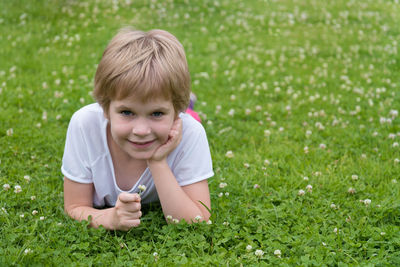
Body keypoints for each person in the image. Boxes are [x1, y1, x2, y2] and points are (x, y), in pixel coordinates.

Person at [61, 28, 214, 231]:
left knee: (193, 120)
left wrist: (158, 161)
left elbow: (198, 222)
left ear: (177, 113)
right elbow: (74, 206)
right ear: (105, 107)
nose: (141, 130)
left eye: (156, 113)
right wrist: (109, 219)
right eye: (126, 112)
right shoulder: (85, 124)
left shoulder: (190, 132)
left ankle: (189, 107)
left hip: (184, 117)